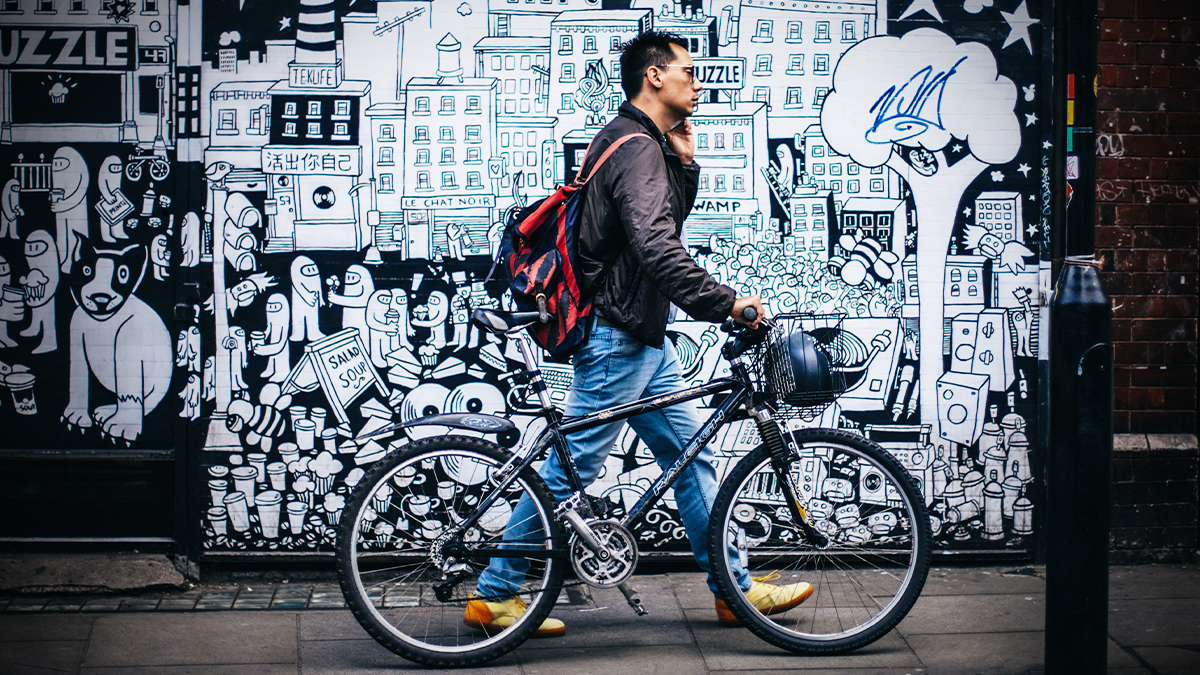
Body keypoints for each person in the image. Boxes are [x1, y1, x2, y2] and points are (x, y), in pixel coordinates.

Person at [466, 31, 812, 638]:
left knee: (690, 453)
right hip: (618, 333)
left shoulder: (638, 142)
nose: (696, 81)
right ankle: (495, 593)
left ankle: (733, 588)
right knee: (571, 467)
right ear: (654, 77)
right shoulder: (635, 147)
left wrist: (684, 158)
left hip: (639, 334)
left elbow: (657, 224)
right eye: (686, 70)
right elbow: (659, 246)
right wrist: (728, 303)